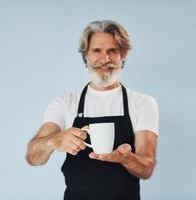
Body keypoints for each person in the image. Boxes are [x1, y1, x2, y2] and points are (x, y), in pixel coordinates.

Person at [26, 20, 159, 200]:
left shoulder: (142, 102)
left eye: (113, 51)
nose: (105, 59)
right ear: (85, 55)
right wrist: (53, 141)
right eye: (97, 50)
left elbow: (147, 168)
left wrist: (126, 158)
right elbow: (32, 157)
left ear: (123, 55)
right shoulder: (65, 102)